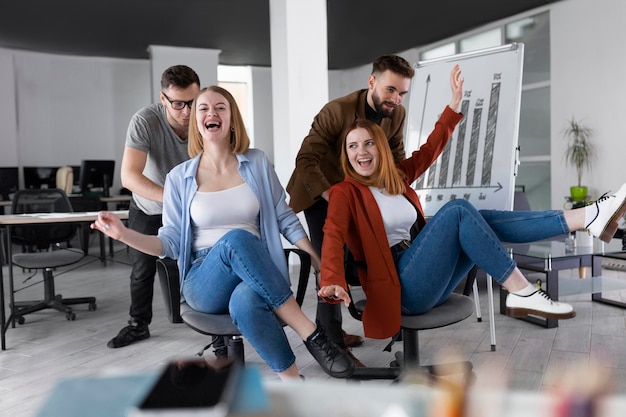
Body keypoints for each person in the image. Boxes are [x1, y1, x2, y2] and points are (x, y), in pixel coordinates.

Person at [317, 74, 626, 341]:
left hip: (423, 274)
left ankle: (588, 216)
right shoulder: (346, 193)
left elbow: (429, 151)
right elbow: (332, 233)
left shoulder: (396, 177)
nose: (361, 152)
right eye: (352, 146)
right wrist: (331, 279)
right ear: (346, 154)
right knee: (458, 210)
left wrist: (454, 105)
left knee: (481, 220)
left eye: (368, 143)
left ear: (380, 147)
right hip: (399, 290)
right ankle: (522, 290)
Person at [93, 86, 355, 380]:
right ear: (196, 122)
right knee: (237, 239)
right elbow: (167, 243)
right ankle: (311, 332)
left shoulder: (256, 163)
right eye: (203, 108)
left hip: (256, 270)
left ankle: (292, 385)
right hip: (204, 280)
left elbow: (285, 218)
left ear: (232, 119)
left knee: (246, 303)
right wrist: (123, 234)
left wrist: (317, 260)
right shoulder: (179, 178)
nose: (211, 113)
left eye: (220, 107)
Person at [286, 54, 416, 363]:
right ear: (372, 82)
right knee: (329, 262)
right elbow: (306, 159)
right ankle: (332, 344)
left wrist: (394, 190)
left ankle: (353, 324)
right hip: (321, 191)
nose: (396, 99)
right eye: (390, 91)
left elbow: (395, 155)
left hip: (364, 190)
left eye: (402, 93)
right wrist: (335, 195)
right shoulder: (337, 111)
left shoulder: (396, 114)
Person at [107, 65, 201, 349]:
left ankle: (208, 319)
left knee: (200, 261)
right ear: (163, 99)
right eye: (178, 104)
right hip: (149, 207)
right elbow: (129, 176)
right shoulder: (145, 121)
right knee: (142, 270)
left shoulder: (203, 116)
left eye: (192, 102)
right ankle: (138, 325)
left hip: (190, 207)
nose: (187, 112)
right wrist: (172, 197)